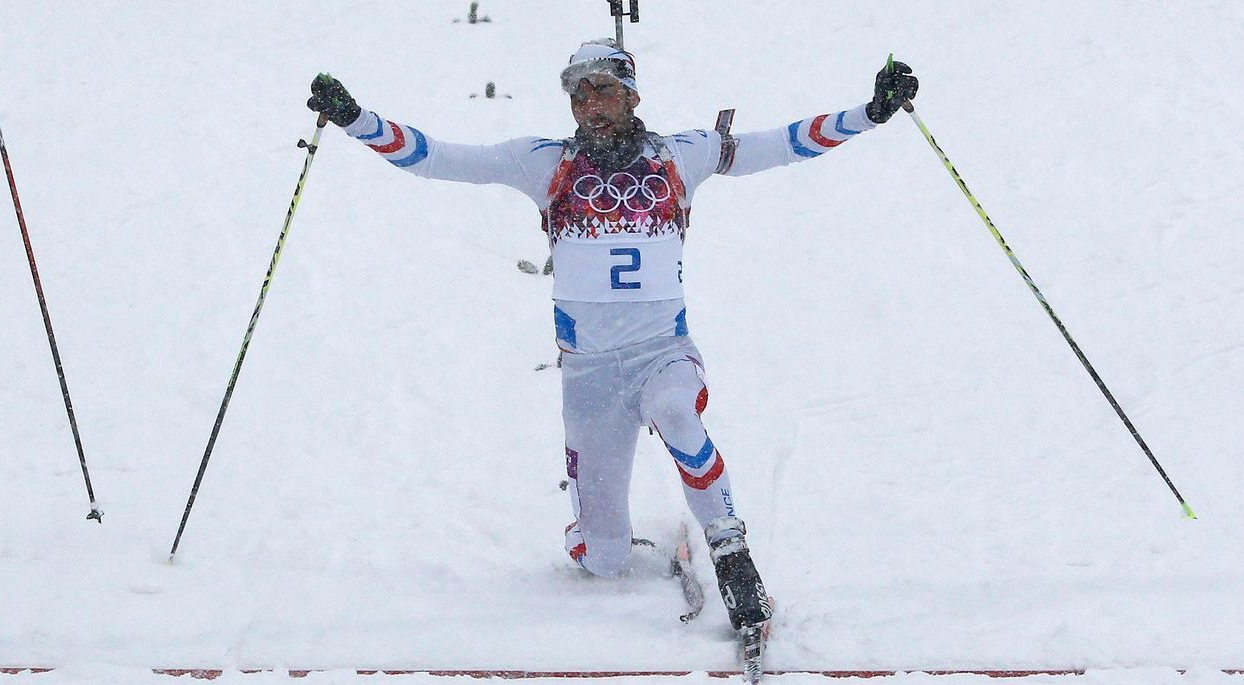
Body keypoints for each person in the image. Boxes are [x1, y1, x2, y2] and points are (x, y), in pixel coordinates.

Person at [305, 45, 918, 635]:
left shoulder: (681, 155)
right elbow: (434, 158)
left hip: (662, 355)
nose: (589, 103)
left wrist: (869, 114)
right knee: (602, 559)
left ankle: (731, 553)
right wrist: (355, 119)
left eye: (602, 89)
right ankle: (593, 531)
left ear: (630, 94)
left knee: (679, 414)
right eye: (578, 93)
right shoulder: (542, 162)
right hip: (590, 374)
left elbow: (779, 145)